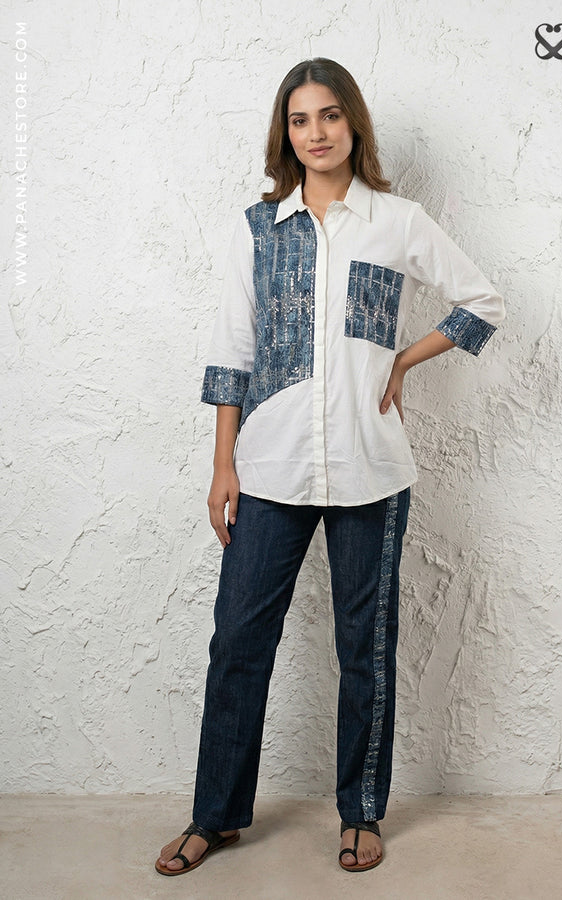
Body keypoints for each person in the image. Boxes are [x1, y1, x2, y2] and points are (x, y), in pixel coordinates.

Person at [155, 57, 505, 877]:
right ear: (285, 132)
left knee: (366, 645)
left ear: (354, 124)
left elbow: (484, 301)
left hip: (369, 470)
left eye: (330, 117)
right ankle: (217, 814)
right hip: (269, 468)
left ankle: (360, 812)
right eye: (300, 119)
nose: (316, 133)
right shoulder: (257, 227)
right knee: (238, 641)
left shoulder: (396, 220)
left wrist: (406, 360)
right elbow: (232, 355)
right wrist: (222, 468)